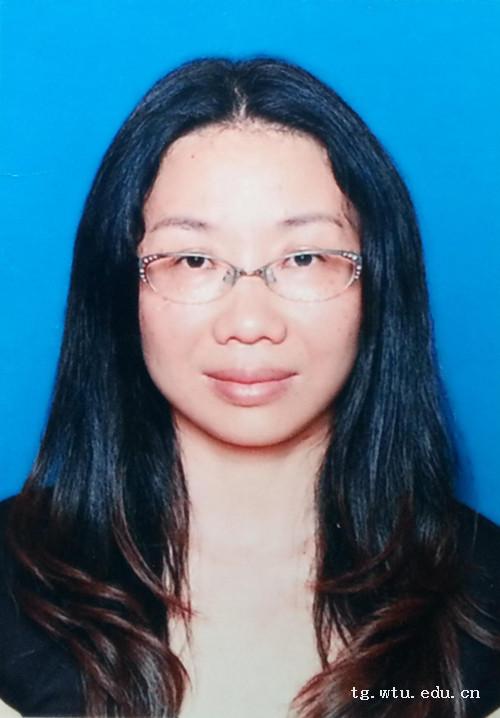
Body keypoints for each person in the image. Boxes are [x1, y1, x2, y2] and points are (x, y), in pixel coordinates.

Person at [0, 56, 499, 718]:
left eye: (304, 258)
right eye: (193, 260)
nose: (250, 323)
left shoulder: (485, 603)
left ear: (379, 286)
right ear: (120, 289)